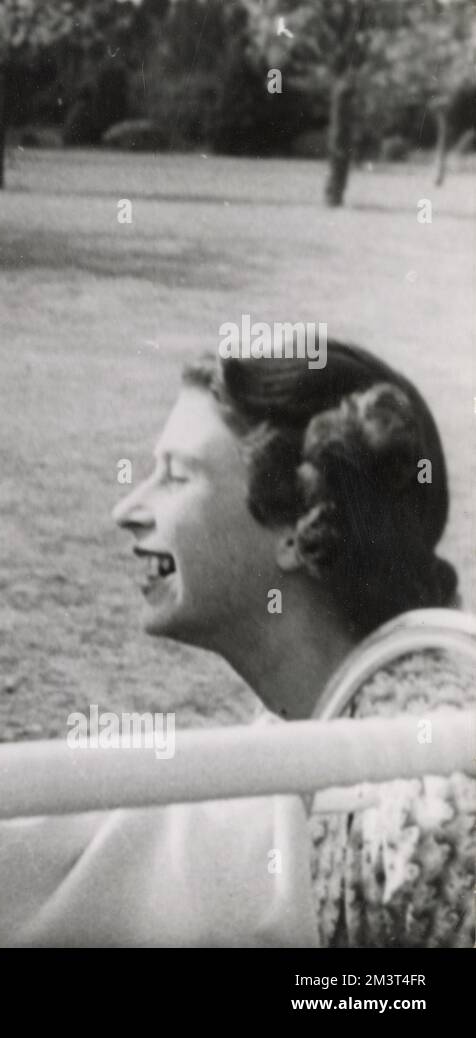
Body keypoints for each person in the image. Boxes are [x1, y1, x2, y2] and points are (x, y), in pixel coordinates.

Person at [113, 340, 475, 947]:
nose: (127, 509)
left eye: (176, 475)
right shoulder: (317, 731)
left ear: (298, 525)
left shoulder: (427, 801)